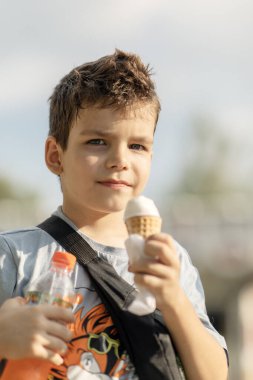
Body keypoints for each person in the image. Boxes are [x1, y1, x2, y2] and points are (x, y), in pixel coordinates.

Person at [0, 49, 228, 379]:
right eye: (97, 141)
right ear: (55, 156)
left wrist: (174, 300)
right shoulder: (14, 255)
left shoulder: (171, 260)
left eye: (137, 146)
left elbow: (213, 376)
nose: (119, 159)